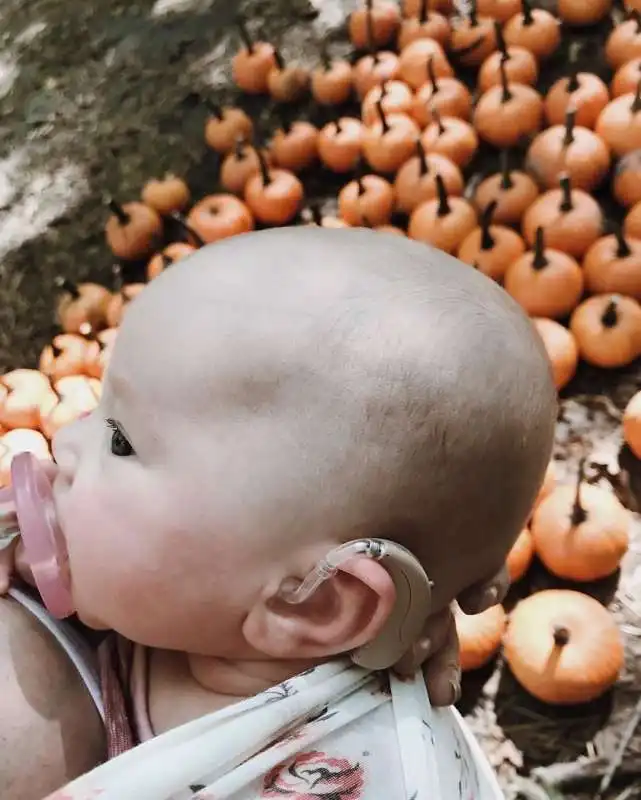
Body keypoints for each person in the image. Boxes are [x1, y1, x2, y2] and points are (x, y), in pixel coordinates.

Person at [0, 227, 556, 799]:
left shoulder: (357, 777)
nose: (65, 441)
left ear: (313, 602)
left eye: (120, 441)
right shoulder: (197, 610)